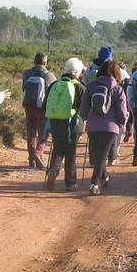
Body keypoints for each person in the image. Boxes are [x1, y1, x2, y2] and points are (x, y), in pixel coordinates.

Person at [79, 60, 129, 196]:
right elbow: (122, 113)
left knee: (97, 156)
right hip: (111, 128)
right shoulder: (118, 89)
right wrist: (123, 123)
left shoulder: (91, 86)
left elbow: (84, 107)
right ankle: (97, 181)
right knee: (102, 155)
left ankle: (98, 180)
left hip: (92, 126)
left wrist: (83, 118)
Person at [44, 58, 86, 192]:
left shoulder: (54, 84)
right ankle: (70, 183)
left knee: (57, 148)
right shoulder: (80, 87)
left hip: (55, 122)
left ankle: (52, 171)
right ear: (78, 72)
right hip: (73, 125)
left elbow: (45, 105)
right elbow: (84, 110)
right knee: (71, 152)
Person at [21, 53, 56, 169]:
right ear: (46, 63)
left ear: (34, 61)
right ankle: (38, 152)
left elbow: (23, 88)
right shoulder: (49, 75)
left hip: (28, 107)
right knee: (43, 134)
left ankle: (31, 160)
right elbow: (53, 91)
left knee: (31, 133)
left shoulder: (26, 73)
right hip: (42, 109)